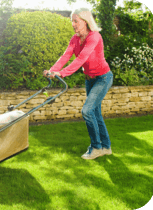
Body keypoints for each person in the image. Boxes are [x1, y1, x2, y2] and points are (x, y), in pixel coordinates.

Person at [43, 7, 113, 160]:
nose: (73, 24)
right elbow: (65, 56)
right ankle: (106, 147)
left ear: (86, 21)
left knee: (87, 111)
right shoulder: (75, 39)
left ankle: (96, 147)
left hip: (103, 78)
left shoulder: (94, 37)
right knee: (95, 113)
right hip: (90, 79)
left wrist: (62, 73)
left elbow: (81, 58)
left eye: (76, 21)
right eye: (72, 21)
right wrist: (52, 70)